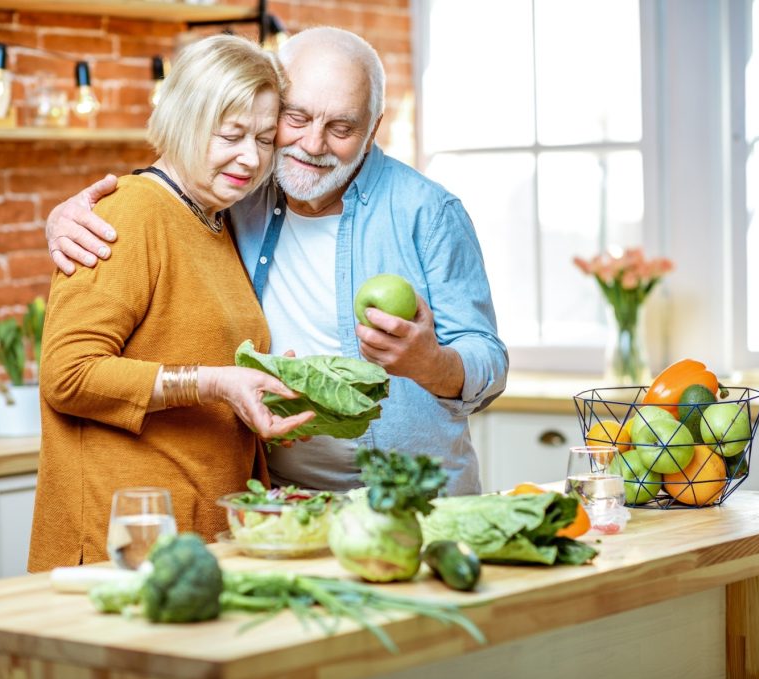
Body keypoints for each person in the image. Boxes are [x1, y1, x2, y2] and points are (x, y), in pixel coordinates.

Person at [44, 27, 508, 497]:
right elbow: (165, 187)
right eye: (296, 118)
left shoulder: (427, 212)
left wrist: (431, 362)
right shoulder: (241, 194)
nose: (312, 144)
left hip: (412, 500)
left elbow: (488, 360)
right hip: (283, 500)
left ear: (372, 129)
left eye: (342, 128)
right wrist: (69, 216)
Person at [27, 35, 313, 572]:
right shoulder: (131, 215)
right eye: (231, 135)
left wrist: (263, 382)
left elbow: (188, 342)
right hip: (122, 545)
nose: (251, 158)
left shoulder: (215, 218)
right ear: (184, 120)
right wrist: (214, 382)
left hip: (197, 536)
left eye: (265, 139)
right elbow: (67, 375)